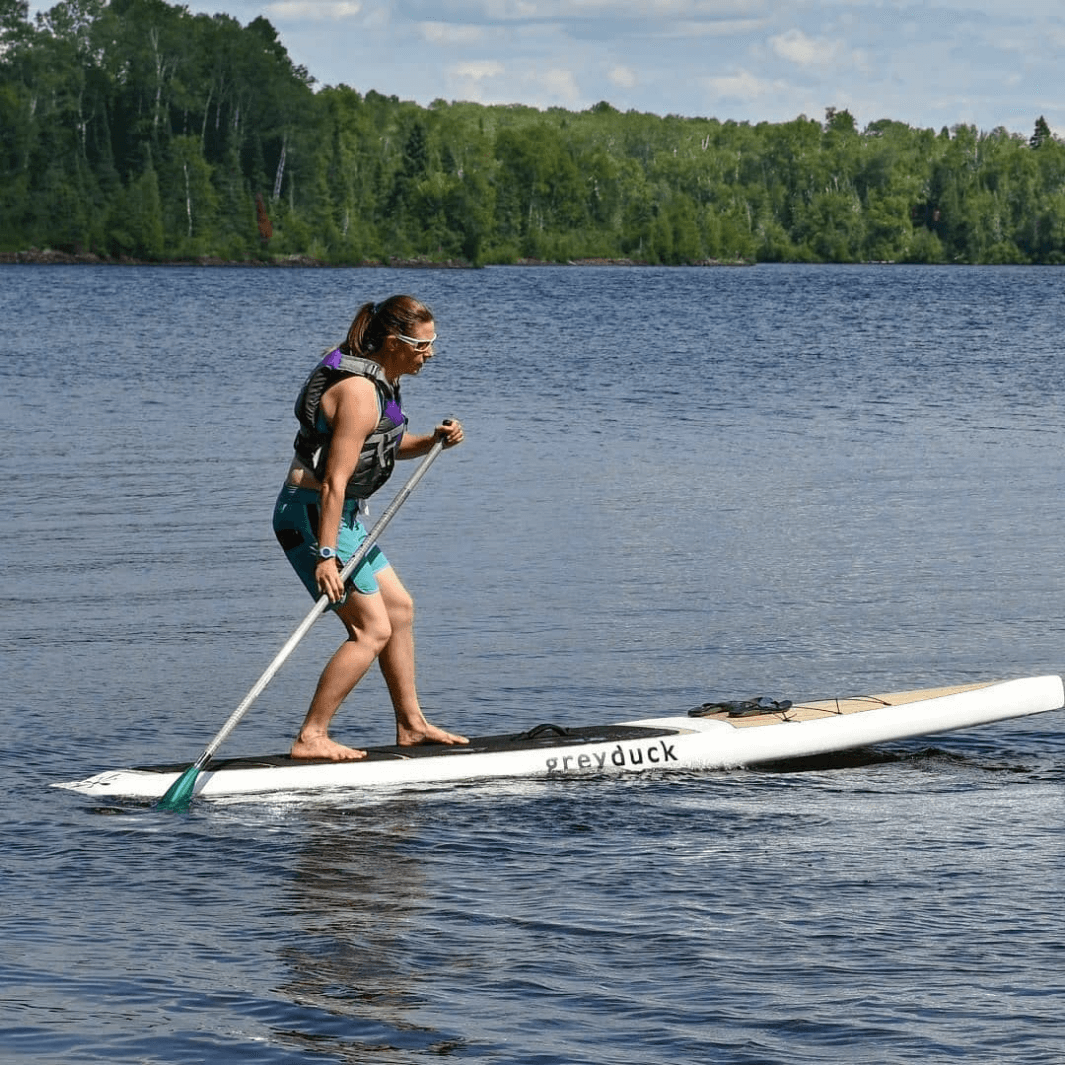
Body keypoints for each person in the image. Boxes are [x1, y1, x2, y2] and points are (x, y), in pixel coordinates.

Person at [272, 295, 467, 761]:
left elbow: (378, 448)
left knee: (398, 609)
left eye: (432, 343)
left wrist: (432, 441)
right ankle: (311, 736)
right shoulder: (359, 393)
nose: (431, 353)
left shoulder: (380, 385)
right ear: (391, 343)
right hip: (315, 515)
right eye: (422, 345)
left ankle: (411, 724)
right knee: (371, 630)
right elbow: (334, 482)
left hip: (343, 518)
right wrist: (325, 557)